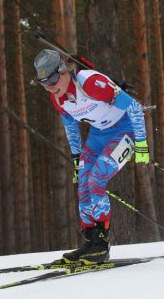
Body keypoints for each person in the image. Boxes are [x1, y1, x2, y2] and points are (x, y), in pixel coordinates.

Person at [34, 49, 150, 265]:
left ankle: (102, 246)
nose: (50, 86)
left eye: (52, 79)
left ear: (63, 70)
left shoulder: (88, 82)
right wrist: (77, 157)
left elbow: (134, 107)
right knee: (83, 184)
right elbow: (70, 127)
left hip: (124, 129)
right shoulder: (57, 97)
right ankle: (90, 242)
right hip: (98, 135)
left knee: (97, 179)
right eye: (43, 83)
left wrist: (142, 145)